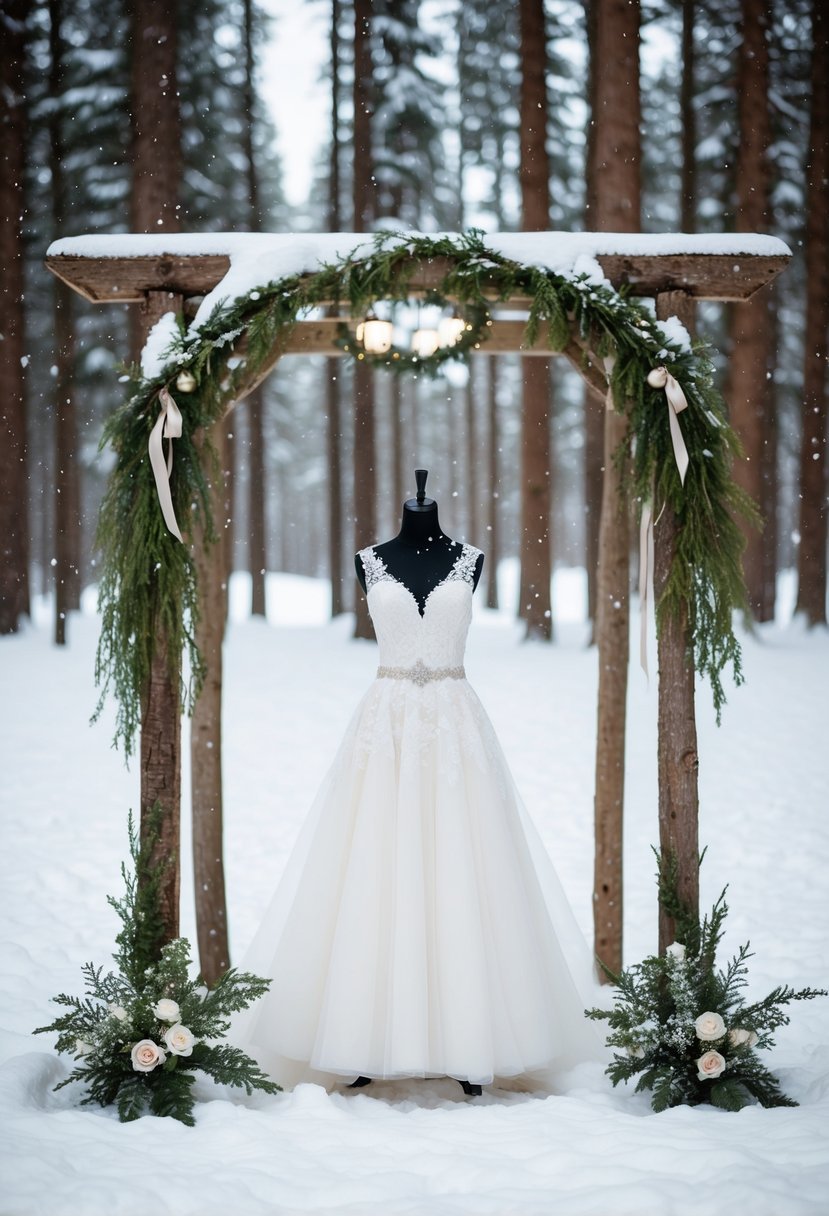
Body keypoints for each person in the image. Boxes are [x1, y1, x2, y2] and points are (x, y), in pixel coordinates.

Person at [233, 471, 602, 1095]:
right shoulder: (370, 561)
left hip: (456, 723)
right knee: (377, 863)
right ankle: (362, 1035)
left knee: (464, 862)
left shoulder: (470, 560)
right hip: (386, 726)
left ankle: (470, 1036)